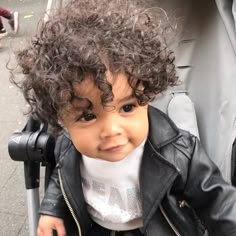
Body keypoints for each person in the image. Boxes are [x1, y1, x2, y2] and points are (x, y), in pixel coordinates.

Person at [13, 0, 236, 235]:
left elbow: (218, 201)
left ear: (147, 95)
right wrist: (52, 209)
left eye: (127, 108)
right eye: (88, 116)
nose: (111, 130)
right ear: (61, 117)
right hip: (96, 226)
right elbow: (63, 174)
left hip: (157, 227)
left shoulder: (179, 152)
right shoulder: (69, 144)